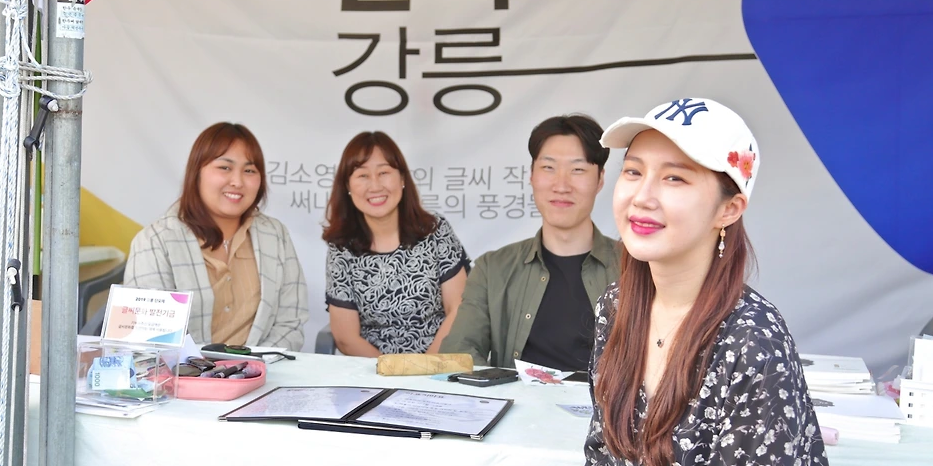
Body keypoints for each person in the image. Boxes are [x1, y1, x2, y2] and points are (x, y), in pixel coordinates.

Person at [454, 98, 835, 466]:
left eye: (675, 178)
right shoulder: (617, 309)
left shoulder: (753, 336)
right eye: (634, 172)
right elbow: (605, 462)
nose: (643, 195)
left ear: (728, 209)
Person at [442, 115, 620, 371]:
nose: (561, 185)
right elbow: (459, 353)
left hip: (605, 399)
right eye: (548, 167)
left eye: (578, 170)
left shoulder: (633, 267)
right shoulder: (493, 268)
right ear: (532, 175)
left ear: (600, 179)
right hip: (516, 397)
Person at [124, 122, 308, 351]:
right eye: (224, 167)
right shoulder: (155, 241)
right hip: (182, 372)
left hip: (263, 369)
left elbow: (291, 323)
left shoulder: (275, 235)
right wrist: (208, 369)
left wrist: (253, 364)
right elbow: (150, 339)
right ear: (197, 173)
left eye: (249, 171)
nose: (237, 182)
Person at [323, 131, 469, 356]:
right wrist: (391, 371)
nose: (375, 186)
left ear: (402, 179)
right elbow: (346, 338)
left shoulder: (435, 230)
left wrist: (426, 368)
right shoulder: (342, 248)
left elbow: (458, 309)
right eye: (362, 175)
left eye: (384, 172)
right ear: (348, 186)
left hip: (440, 361)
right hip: (373, 369)